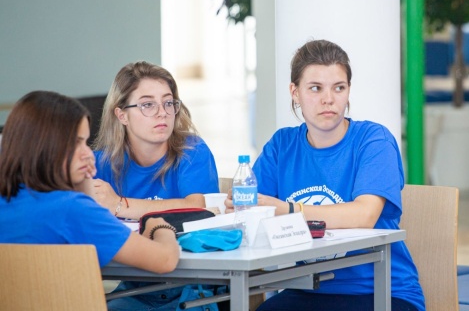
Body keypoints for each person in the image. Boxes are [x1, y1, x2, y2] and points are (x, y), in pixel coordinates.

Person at [227, 40, 425, 311]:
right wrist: (240, 206)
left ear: (348, 91)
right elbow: (252, 211)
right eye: (315, 88)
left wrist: (286, 210)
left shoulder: (373, 140)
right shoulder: (282, 145)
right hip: (309, 287)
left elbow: (364, 215)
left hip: (381, 290)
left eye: (338, 88)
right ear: (295, 92)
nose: (328, 99)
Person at [0, 91, 180, 275]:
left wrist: (84, 182)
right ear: (45, 146)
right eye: (76, 143)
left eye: (85, 143)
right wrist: (159, 227)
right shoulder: (73, 210)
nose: (87, 153)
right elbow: (165, 260)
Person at [92, 61, 221, 311]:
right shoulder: (101, 162)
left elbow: (196, 207)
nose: (162, 112)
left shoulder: (192, 150)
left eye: (168, 102)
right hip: (134, 289)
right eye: (147, 104)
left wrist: (118, 204)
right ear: (122, 115)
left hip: (193, 287)